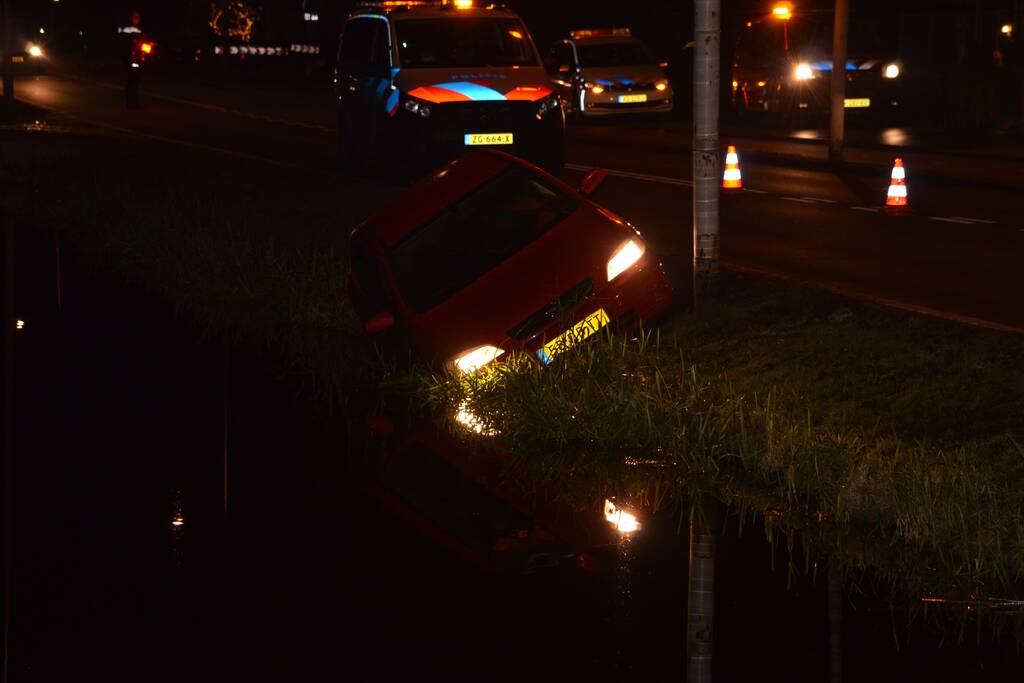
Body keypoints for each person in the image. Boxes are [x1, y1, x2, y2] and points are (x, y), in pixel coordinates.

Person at [118, 10, 145, 108]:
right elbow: (127, 42)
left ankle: (132, 101)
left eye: (138, 17)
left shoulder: (137, 29)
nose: (137, 18)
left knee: (135, 78)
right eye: (135, 17)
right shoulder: (127, 28)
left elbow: (140, 41)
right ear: (130, 17)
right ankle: (131, 102)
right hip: (130, 57)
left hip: (135, 57)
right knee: (133, 77)